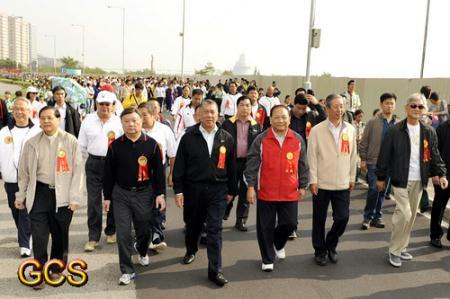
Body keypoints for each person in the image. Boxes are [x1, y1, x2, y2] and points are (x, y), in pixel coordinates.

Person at [15, 106, 84, 289]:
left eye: (50, 118)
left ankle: (56, 269)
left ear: (58, 119)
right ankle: (39, 272)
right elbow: (23, 173)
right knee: (39, 235)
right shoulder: (32, 143)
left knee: (60, 234)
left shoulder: (70, 141)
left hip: (63, 194)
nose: (46, 121)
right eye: (43, 118)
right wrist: (20, 195)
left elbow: (78, 172)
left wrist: (75, 197)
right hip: (39, 193)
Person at [376, 93, 447, 268]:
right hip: (400, 179)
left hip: (419, 180)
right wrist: (380, 177)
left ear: (425, 110)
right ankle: (394, 250)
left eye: (420, 106)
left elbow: (435, 156)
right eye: (413, 106)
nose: (416, 109)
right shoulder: (395, 130)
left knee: (411, 216)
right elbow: (384, 155)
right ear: (406, 108)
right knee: (404, 214)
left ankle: (402, 247)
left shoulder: (429, 131)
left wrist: (442, 174)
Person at [173, 99, 237, 287]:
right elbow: (180, 167)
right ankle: (191, 249)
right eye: (206, 112)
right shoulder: (188, 137)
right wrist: (178, 190)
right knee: (193, 225)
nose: (209, 115)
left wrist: (232, 190)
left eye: (213, 112)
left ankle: (215, 270)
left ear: (218, 114)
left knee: (215, 230)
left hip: (218, 190)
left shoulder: (226, 137)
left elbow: (232, 167)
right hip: (194, 190)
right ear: (198, 114)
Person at [103, 108, 166, 285]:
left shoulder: (151, 144)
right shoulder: (115, 146)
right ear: (122, 124)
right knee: (123, 234)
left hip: (144, 193)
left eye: (135, 121)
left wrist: (160, 194)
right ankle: (127, 270)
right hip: (121, 194)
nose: (131, 124)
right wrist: (107, 197)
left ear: (141, 122)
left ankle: (143, 250)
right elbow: (108, 173)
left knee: (144, 229)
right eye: (127, 121)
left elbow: (159, 172)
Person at [245, 105, 309, 272]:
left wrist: (303, 185)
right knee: (265, 227)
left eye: (284, 117)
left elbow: (303, 165)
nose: (281, 120)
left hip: (290, 192)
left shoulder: (297, 139)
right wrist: (251, 187)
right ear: (270, 119)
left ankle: (278, 243)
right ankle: (267, 258)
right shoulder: (261, 139)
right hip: (266, 192)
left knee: (290, 224)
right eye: (277, 117)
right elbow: (252, 165)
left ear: (289, 119)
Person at [308, 94, 357, 266]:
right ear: (327, 108)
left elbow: (353, 156)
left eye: (342, 106)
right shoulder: (317, 130)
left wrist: (352, 177)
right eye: (335, 106)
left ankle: (331, 243)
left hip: (343, 182)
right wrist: (312, 180)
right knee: (319, 219)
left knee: (342, 218)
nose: (339, 110)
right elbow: (312, 157)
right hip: (322, 182)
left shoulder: (350, 129)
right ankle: (320, 250)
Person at [78, 91, 123, 252]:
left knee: (113, 198)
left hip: (113, 165)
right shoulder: (88, 120)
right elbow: (81, 145)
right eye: (102, 104)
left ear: (114, 105)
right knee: (94, 202)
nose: (105, 107)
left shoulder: (119, 122)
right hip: (94, 163)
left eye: (108, 104)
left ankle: (111, 230)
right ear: (97, 104)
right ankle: (93, 237)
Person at [0, 98, 41, 258]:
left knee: (25, 208)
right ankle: (26, 234)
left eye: (22, 109)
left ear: (29, 111)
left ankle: (24, 243)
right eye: (16, 109)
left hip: (31, 178)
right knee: (15, 209)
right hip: (10, 178)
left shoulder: (37, 130)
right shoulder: (4, 132)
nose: (19, 112)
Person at [138, 102, 177, 251]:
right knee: (142, 205)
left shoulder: (164, 130)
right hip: (138, 173)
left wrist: (171, 174)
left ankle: (156, 234)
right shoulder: (136, 130)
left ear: (153, 115)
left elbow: (172, 155)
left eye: (144, 115)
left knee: (158, 202)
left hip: (158, 171)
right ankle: (145, 234)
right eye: (139, 116)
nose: (141, 119)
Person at [222, 96, 262, 231]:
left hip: (248, 164)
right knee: (229, 189)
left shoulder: (256, 125)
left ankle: (241, 220)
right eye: (242, 105)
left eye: (247, 105)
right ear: (237, 107)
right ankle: (224, 210)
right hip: (231, 162)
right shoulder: (227, 123)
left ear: (251, 108)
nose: (245, 108)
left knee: (246, 191)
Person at [359, 93, 398, 230]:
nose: (389, 106)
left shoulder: (398, 124)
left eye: (392, 103)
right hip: (374, 161)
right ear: (381, 105)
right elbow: (363, 142)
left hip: (390, 164)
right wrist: (363, 159)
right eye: (386, 103)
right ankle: (367, 217)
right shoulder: (372, 122)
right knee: (374, 189)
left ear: (395, 105)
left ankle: (377, 216)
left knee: (382, 191)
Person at [430, 117, 450, 248]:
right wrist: (435, 173)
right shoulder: (442, 128)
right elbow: (434, 152)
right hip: (444, 175)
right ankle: (435, 235)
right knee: (439, 205)